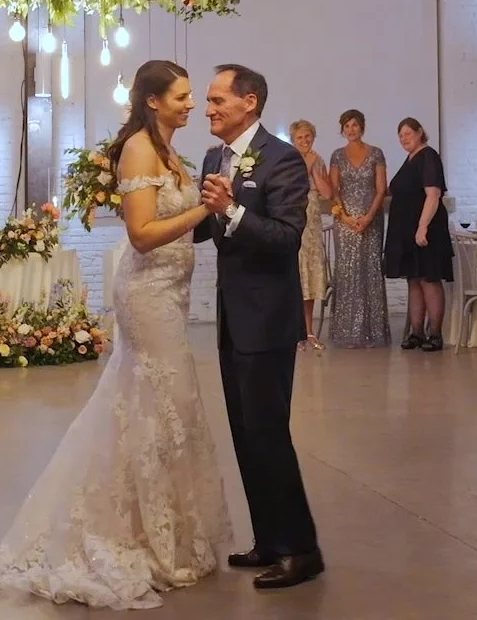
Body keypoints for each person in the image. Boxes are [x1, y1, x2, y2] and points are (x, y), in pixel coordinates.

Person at [0, 61, 231, 609]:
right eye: (182, 96)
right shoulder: (139, 150)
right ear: (153, 100)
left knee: (163, 406)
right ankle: (130, 533)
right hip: (147, 296)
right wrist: (205, 207)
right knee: (160, 402)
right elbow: (142, 234)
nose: (192, 104)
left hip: (172, 294)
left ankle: (160, 528)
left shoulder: (170, 151)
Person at [196, 64, 321, 589]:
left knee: (269, 433)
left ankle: (301, 550)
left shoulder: (283, 158)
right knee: (245, 434)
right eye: (207, 100)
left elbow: (287, 237)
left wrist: (232, 211)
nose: (208, 109)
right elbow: (203, 227)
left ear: (249, 102)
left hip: (268, 319)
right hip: (232, 317)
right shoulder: (213, 158)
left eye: (217, 99)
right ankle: (268, 539)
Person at [384, 118, 453, 351]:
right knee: (413, 279)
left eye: (407, 133)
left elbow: (433, 195)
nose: (404, 138)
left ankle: (435, 334)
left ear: (420, 132)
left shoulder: (428, 156)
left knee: (428, 279)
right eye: (400, 135)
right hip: (407, 229)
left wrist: (422, 227)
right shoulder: (410, 158)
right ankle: (416, 333)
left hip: (426, 228)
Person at [325, 109, 389, 349]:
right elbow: (334, 190)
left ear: (362, 127)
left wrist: (369, 217)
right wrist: (346, 218)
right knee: (348, 272)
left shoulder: (376, 153)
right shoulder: (337, 155)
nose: (351, 129)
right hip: (345, 223)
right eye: (347, 126)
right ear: (342, 130)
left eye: (354, 125)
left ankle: (373, 334)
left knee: (371, 271)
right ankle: (346, 333)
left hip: (371, 220)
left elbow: (381, 189)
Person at [289, 120, 331, 352]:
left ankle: (308, 331)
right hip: (293, 222)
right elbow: (292, 187)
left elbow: (327, 193)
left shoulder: (318, 160)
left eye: (308, 137)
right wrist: (306, 165)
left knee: (310, 280)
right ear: (293, 140)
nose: (305, 141)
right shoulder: (287, 160)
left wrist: (315, 169)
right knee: (294, 278)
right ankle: (292, 333)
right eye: (300, 138)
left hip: (312, 225)